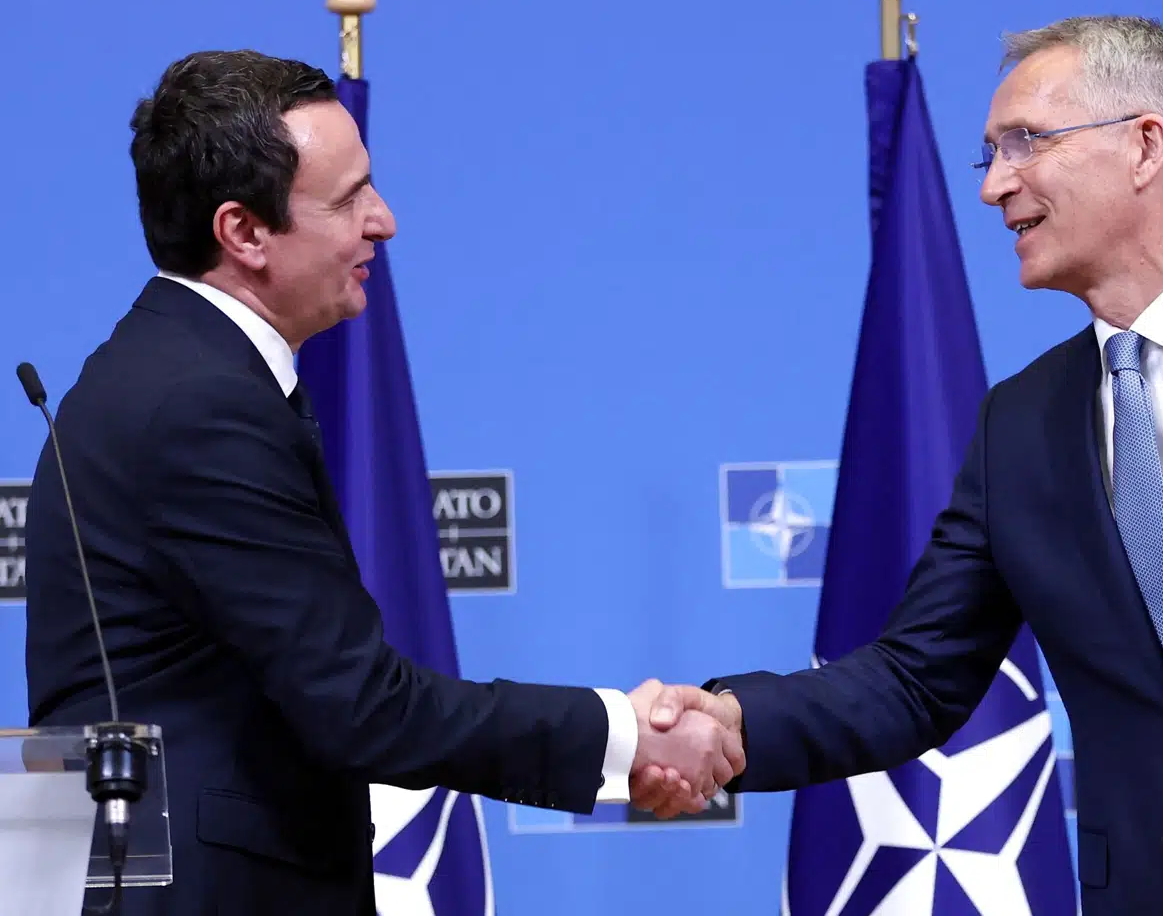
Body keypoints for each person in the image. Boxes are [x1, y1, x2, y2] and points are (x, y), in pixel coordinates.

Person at [633, 15, 1163, 915]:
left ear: (1144, 145)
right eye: (989, 154)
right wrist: (732, 722)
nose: (995, 186)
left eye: (1025, 142)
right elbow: (915, 676)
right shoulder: (1020, 421)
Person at [23, 49, 734, 916]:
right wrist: (623, 735)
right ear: (243, 232)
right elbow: (360, 705)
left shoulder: (177, 373)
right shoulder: (196, 403)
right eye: (349, 197)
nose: (384, 220)